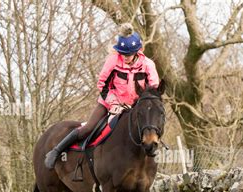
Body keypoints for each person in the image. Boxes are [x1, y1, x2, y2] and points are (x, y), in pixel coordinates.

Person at [44, 23, 160, 169]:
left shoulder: (148, 65)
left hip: (135, 107)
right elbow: (102, 85)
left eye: (128, 54)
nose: (124, 57)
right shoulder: (113, 61)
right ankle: (56, 151)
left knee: (149, 126)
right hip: (109, 103)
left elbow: (153, 91)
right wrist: (114, 104)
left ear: (137, 52)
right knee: (88, 128)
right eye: (122, 53)